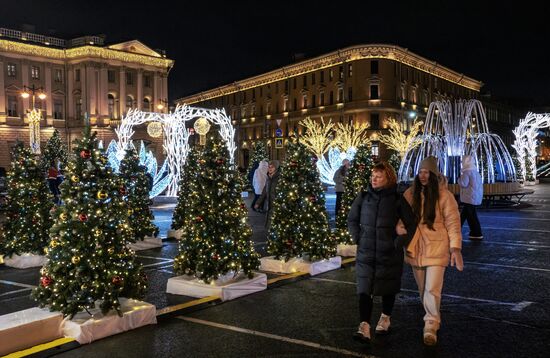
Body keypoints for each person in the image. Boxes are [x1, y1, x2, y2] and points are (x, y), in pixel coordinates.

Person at [347, 162, 417, 344]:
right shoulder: (363, 197)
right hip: (366, 252)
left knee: (388, 287)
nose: (374, 179)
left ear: (388, 178)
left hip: (389, 253)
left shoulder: (397, 199)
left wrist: (398, 241)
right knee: (364, 288)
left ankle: (385, 318)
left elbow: (411, 223)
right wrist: (358, 238)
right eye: (373, 175)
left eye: (378, 176)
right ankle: (364, 326)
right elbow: (352, 219)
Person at [401, 156, 463, 346]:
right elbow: (401, 217)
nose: (423, 175)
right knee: (422, 289)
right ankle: (432, 314)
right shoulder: (409, 194)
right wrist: (398, 228)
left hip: (437, 246)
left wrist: (455, 248)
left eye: (427, 172)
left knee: (432, 288)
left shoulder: (445, 196)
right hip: (415, 248)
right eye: (420, 172)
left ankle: (431, 324)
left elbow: (453, 222)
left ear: (434, 175)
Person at [458, 155, 483, 240]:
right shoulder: (475, 172)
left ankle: (477, 233)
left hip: (469, 197)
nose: (461, 163)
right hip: (474, 197)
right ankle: (458, 231)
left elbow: (463, 184)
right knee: (466, 215)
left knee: (471, 216)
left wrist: (459, 179)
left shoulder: (466, 172)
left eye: (462, 161)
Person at [254, 160, 280, 230]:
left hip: (276, 205)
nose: (270, 169)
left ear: (276, 168)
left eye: (272, 167)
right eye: (269, 167)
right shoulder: (268, 178)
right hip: (269, 203)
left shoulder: (279, 178)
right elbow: (264, 192)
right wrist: (258, 203)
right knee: (269, 224)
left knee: (275, 224)